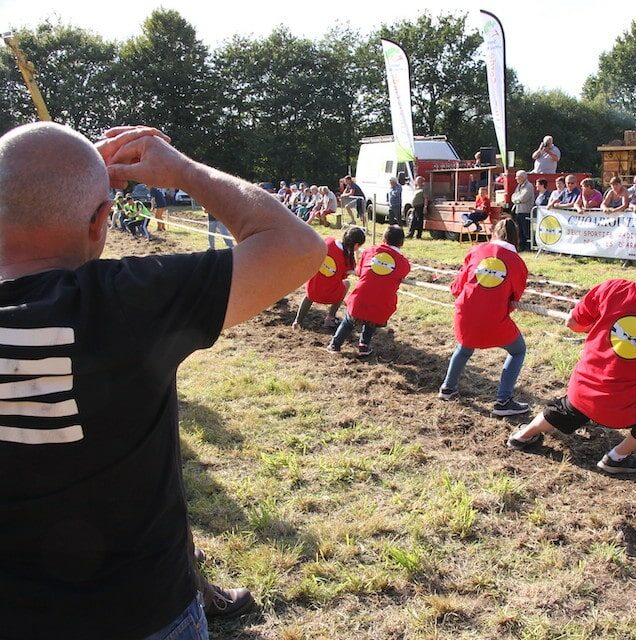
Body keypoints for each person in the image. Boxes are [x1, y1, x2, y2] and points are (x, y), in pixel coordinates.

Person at [0, 122, 326, 640]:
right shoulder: (128, 302)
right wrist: (180, 170)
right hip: (141, 612)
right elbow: (299, 246)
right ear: (102, 220)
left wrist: (56, 176)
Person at [506, 252, 636, 474]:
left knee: (573, 404)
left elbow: (574, 324)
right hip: (623, 409)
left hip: (581, 392)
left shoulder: (613, 288)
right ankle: (617, 457)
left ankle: (522, 435)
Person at [438, 218, 530, 417]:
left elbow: (457, 285)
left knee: (464, 345)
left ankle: (448, 387)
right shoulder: (518, 263)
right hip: (493, 316)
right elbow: (516, 296)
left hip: (465, 310)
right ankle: (503, 400)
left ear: (493, 234)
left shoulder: (477, 250)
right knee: (518, 350)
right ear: (516, 238)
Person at [328, 225, 410, 356]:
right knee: (371, 318)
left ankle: (335, 344)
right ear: (402, 242)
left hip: (359, 299)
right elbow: (402, 273)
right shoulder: (404, 263)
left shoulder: (370, 251)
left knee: (349, 320)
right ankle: (364, 346)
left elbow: (360, 271)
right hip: (382, 304)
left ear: (384, 238)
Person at [294, 226, 366, 330]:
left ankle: (297, 321)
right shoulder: (349, 261)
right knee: (346, 283)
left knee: (309, 293)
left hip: (312, 290)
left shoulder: (328, 241)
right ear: (356, 245)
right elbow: (342, 276)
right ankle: (330, 317)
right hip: (329, 295)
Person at [510, 170, 534, 249]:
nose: (516, 178)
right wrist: (516, 199)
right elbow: (513, 196)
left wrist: (516, 200)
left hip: (525, 211)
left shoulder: (529, 186)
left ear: (523, 177)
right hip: (518, 211)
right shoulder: (519, 186)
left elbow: (523, 198)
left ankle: (527, 247)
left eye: (517, 177)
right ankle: (521, 246)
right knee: (519, 230)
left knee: (526, 230)